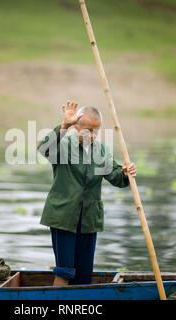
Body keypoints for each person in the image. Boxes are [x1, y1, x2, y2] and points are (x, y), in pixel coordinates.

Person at [37, 100, 137, 286]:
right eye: (87, 130)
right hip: (63, 216)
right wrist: (64, 125)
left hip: (89, 219)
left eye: (95, 130)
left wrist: (125, 173)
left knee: (83, 275)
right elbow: (44, 149)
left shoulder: (101, 150)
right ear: (77, 126)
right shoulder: (64, 144)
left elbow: (115, 176)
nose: (92, 135)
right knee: (65, 271)